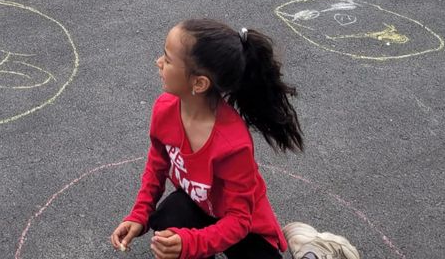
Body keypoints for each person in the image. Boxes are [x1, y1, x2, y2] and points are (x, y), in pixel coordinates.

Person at [110, 19, 304, 259]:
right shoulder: (164, 109)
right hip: (201, 205)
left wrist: (191, 243)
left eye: (168, 60)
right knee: (168, 221)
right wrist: (139, 214)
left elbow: (239, 220)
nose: (158, 62)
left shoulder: (232, 144)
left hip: (244, 226)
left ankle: (314, 247)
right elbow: (157, 165)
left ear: (199, 83)